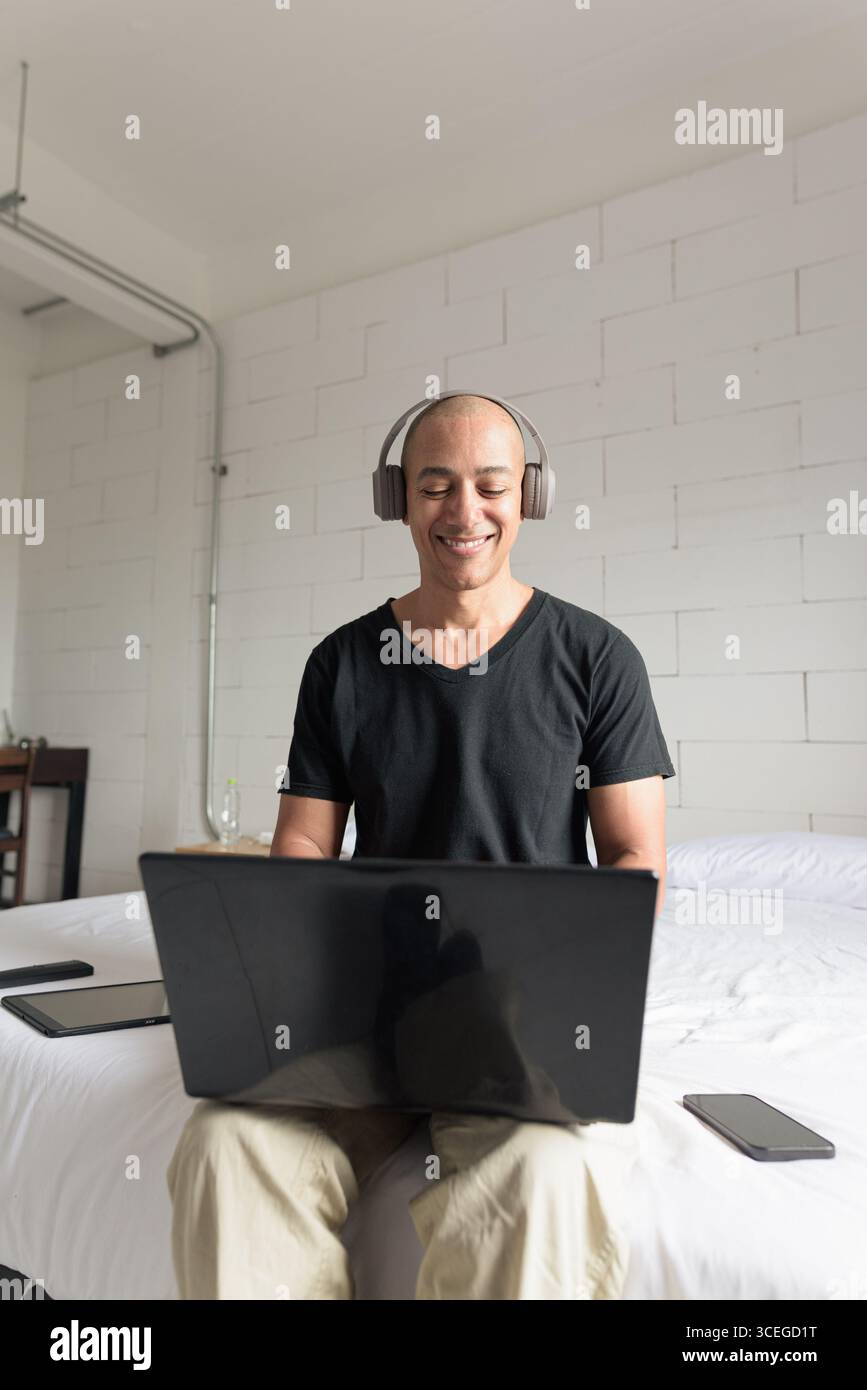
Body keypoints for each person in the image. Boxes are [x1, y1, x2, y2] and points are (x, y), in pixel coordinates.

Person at [167, 392, 675, 1300]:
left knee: (538, 1174)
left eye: (491, 486)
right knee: (225, 1140)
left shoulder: (597, 657)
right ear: (396, 497)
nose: (465, 512)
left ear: (530, 495)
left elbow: (636, 857)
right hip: (362, 1006)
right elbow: (303, 852)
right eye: (436, 486)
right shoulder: (340, 663)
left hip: (517, 1018)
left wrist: (578, 982)